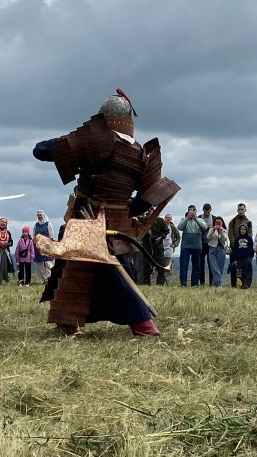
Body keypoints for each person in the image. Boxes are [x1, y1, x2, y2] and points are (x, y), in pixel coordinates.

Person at [33, 88, 179, 335]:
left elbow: (40, 150)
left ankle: (142, 322)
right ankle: (68, 322)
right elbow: (145, 199)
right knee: (82, 267)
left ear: (102, 117)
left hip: (89, 222)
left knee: (106, 271)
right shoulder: (140, 152)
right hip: (118, 224)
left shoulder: (95, 140)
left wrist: (68, 141)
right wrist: (124, 210)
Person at [177, 205, 208, 287]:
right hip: (185, 246)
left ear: (196, 211)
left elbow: (205, 227)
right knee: (184, 264)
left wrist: (195, 219)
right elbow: (179, 227)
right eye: (190, 211)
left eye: (193, 210)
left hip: (197, 246)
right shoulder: (184, 219)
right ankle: (183, 283)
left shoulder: (200, 220)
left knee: (196, 265)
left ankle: (195, 283)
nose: (192, 212)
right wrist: (187, 218)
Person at [227, 203, 252, 288]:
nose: (241, 211)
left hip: (245, 250)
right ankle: (233, 284)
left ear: (245, 210)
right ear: (237, 210)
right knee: (234, 266)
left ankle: (244, 284)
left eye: (242, 209)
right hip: (234, 249)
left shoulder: (248, 222)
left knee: (245, 267)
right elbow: (230, 234)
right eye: (239, 209)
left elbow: (250, 235)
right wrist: (236, 244)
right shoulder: (233, 221)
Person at [143, 216, 169, 285]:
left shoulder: (160, 220)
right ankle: (146, 283)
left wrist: (161, 237)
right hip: (147, 247)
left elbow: (166, 230)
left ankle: (160, 284)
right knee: (146, 266)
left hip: (158, 247)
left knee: (161, 266)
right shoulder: (144, 220)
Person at [206, 216, 229, 288]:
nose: (218, 224)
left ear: (222, 223)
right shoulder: (211, 229)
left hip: (221, 249)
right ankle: (219, 284)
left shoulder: (224, 230)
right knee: (214, 267)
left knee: (220, 268)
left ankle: (214, 284)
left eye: (219, 222)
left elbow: (224, 239)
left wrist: (221, 230)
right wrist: (213, 229)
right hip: (212, 249)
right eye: (217, 222)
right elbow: (208, 238)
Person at [33, 210, 54, 285]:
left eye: (40, 215)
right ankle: (40, 280)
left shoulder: (48, 224)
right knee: (39, 263)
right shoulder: (36, 225)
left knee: (48, 263)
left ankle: (49, 278)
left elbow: (51, 237)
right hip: (38, 246)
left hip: (46, 246)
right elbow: (34, 235)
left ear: (43, 215)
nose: (39, 216)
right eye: (38, 215)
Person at [232, 224, 254, 288]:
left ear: (246, 230)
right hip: (239, 257)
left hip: (247, 257)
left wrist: (250, 257)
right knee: (239, 272)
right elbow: (235, 249)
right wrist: (235, 258)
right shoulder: (237, 238)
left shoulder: (249, 238)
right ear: (239, 230)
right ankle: (240, 284)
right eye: (241, 229)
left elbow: (251, 248)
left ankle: (247, 284)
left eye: (244, 229)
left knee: (248, 271)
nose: (243, 230)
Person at [198, 203, 215, 285]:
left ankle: (211, 282)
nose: (207, 213)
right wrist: (208, 228)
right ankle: (202, 282)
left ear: (210, 210)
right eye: (206, 211)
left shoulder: (214, 218)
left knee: (211, 263)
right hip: (201, 243)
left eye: (208, 211)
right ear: (203, 210)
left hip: (210, 244)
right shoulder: (199, 218)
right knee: (201, 263)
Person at [162, 213, 180, 283]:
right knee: (158, 267)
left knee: (168, 267)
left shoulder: (173, 228)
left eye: (169, 218)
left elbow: (178, 237)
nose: (168, 219)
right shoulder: (161, 226)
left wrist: (175, 244)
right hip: (160, 249)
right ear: (164, 218)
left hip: (169, 249)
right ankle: (158, 282)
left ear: (171, 219)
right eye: (167, 217)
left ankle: (168, 283)